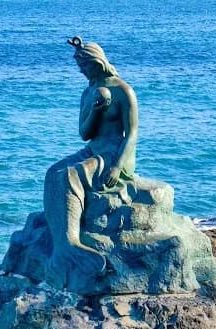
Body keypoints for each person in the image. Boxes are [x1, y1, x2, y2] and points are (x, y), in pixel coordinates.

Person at [43, 36, 138, 283]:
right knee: (53, 173)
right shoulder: (89, 92)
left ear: (96, 62)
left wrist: (117, 166)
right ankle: (62, 242)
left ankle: (72, 243)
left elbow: (133, 132)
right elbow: (85, 134)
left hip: (114, 153)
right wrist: (96, 109)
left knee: (70, 175)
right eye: (80, 67)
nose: (82, 71)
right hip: (94, 149)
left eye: (84, 66)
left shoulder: (122, 90)